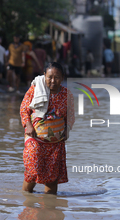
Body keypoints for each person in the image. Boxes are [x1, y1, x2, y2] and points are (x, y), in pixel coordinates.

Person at [20, 62, 75, 195]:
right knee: (33, 170)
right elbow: (24, 108)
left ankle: (50, 210)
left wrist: (67, 129)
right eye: (49, 77)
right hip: (35, 138)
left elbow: (71, 116)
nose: (53, 81)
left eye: (57, 77)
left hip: (55, 144)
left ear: (62, 78)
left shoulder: (67, 95)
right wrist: (28, 125)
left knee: (52, 179)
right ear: (44, 75)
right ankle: (27, 202)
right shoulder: (36, 89)